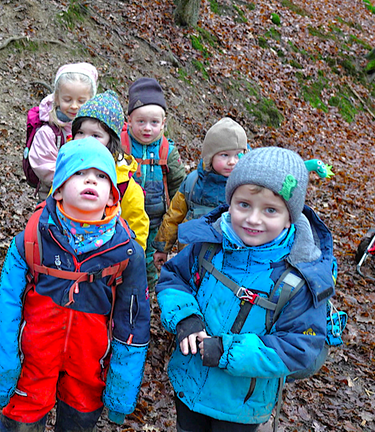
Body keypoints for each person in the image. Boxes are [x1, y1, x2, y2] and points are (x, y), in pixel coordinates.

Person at [156, 147, 336, 431]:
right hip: (189, 384)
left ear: (290, 217)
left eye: (270, 210)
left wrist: (227, 351)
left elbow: (300, 345)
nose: (253, 219)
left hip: (241, 405)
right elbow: (174, 278)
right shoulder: (209, 245)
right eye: (244, 205)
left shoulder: (297, 278)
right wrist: (185, 318)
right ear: (229, 202)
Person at [0, 138, 150, 431]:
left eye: (102, 176)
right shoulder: (32, 238)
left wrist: (120, 394)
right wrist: (4, 370)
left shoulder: (127, 252)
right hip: (31, 364)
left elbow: (133, 324)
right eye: (79, 172)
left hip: (88, 369)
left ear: (113, 196)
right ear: (59, 188)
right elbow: (6, 308)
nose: (91, 179)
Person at [153, 117, 248, 270]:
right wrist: (162, 247)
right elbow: (174, 215)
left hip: (229, 263)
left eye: (238, 155)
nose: (232, 161)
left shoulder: (246, 187)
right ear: (210, 157)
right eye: (225, 155)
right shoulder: (193, 182)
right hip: (191, 258)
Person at [123, 77, 187, 289]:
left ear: (163, 124)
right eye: (141, 121)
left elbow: (180, 189)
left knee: (148, 261)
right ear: (129, 120)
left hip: (155, 221)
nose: (147, 128)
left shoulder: (167, 151)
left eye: (154, 123)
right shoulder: (121, 145)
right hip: (124, 217)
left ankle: (145, 295)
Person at [71, 89, 150, 252]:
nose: (86, 140)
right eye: (80, 132)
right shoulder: (68, 170)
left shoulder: (126, 186)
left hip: (106, 261)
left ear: (111, 141)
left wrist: (131, 261)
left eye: (95, 135)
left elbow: (137, 231)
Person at [28, 62, 98, 196]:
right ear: (57, 98)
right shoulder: (49, 132)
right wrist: (72, 182)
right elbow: (44, 165)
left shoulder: (96, 130)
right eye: (68, 100)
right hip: (54, 194)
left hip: (89, 194)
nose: (74, 106)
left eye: (81, 101)